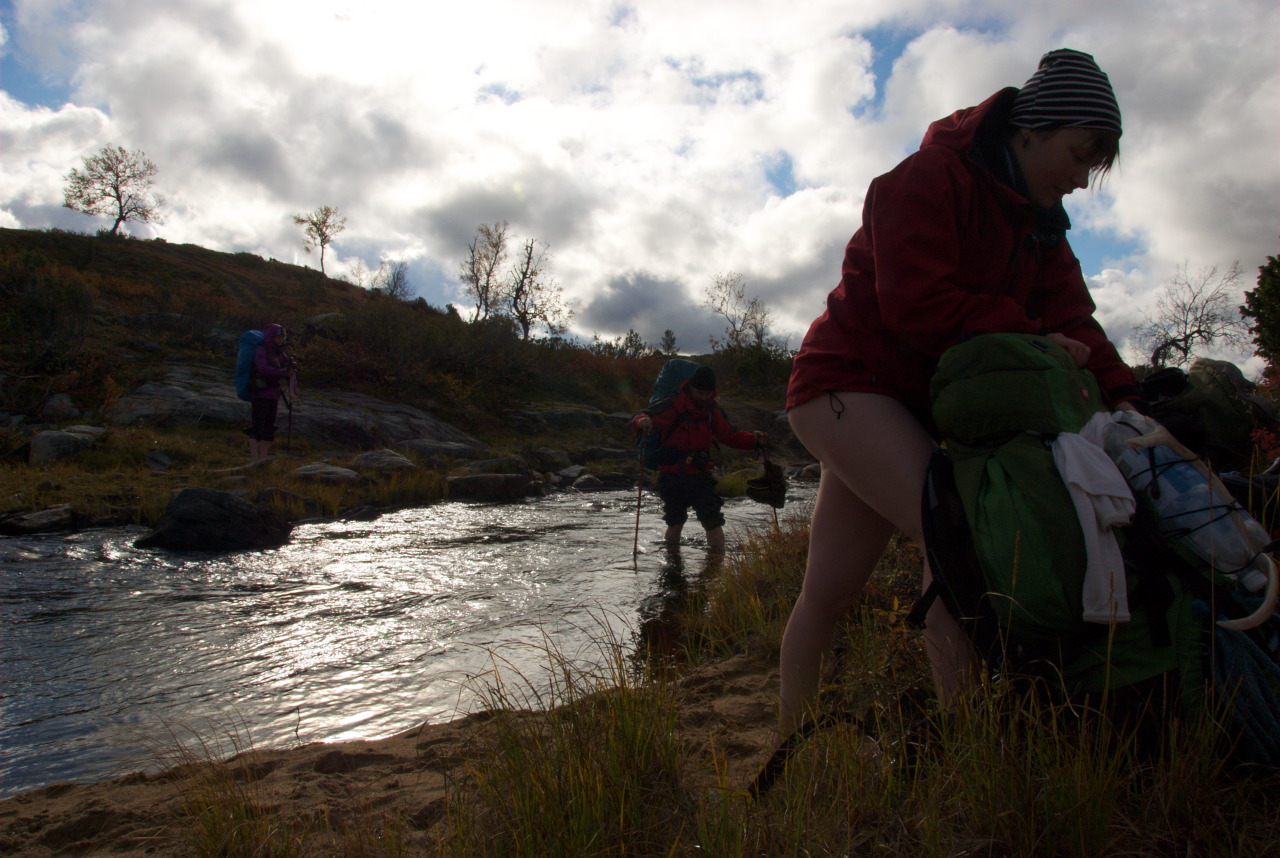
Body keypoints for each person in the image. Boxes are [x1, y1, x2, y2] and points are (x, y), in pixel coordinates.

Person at [779, 49, 1142, 737]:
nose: (1081, 178)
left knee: (830, 588)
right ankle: (972, 739)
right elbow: (915, 304)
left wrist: (1127, 399)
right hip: (846, 382)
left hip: (904, 407)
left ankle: (793, 740)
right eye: (1079, 154)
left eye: (1093, 166)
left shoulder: (1042, 226)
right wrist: (1030, 334)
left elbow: (1075, 322)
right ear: (1030, 129)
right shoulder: (926, 178)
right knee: (958, 534)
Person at [633, 365, 767, 550]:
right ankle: (673, 562)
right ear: (691, 388)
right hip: (672, 475)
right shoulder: (673, 405)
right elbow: (643, 416)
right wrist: (641, 421)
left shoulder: (712, 410)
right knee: (675, 522)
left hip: (701, 475)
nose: (703, 397)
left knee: (713, 520)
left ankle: (716, 564)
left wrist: (753, 440)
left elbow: (729, 435)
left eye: (707, 394)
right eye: (700, 393)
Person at [246, 323, 296, 461]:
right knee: (258, 426)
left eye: (283, 337)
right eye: (278, 337)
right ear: (271, 337)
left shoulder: (281, 354)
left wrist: (292, 391)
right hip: (260, 393)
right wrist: (284, 372)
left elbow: (291, 373)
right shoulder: (261, 350)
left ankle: (262, 458)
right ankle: (254, 459)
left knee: (269, 427)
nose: (281, 339)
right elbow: (264, 369)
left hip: (273, 395)